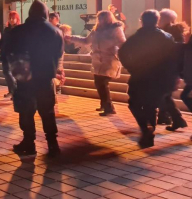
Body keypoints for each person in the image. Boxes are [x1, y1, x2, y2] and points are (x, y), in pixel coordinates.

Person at [4, 0, 64, 156]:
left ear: (30, 13)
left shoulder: (18, 31)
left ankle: (29, 142)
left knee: (26, 111)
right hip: (45, 78)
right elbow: (58, 54)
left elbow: (6, 51)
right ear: (45, 13)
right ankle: (52, 144)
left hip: (25, 78)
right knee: (47, 112)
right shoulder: (55, 31)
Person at [119, 10, 180, 148]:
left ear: (142, 21)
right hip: (159, 77)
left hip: (140, 75)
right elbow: (174, 58)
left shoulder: (136, 37)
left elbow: (122, 52)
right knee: (151, 106)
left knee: (133, 103)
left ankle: (146, 128)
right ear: (157, 21)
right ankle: (149, 131)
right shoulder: (166, 37)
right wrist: (173, 75)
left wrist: (130, 67)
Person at [68, 10, 126, 116]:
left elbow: (122, 44)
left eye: (102, 18)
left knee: (103, 83)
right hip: (97, 61)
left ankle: (109, 108)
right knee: (98, 83)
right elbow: (86, 41)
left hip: (109, 60)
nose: (99, 20)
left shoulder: (115, 29)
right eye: (98, 18)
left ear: (108, 18)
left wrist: (121, 55)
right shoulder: (96, 30)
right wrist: (71, 38)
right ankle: (104, 104)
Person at [156, 8, 189, 129]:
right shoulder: (173, 32)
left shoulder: (170, 33)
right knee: (164, 94)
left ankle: (177, 119)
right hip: (169, 68)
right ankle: (166, 117)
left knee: (163, 94)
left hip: (169, 68)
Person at [0, 11, 20, 99]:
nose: (11, 20)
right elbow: (3, 40)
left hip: (14, 54)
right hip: (5, 53)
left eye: (13, 18)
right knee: (6, 72)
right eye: (10, 18)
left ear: (17, 19)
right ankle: (11, 91)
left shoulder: (19, 29)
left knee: (10, 73)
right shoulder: (6, 29)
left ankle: (14, 92)